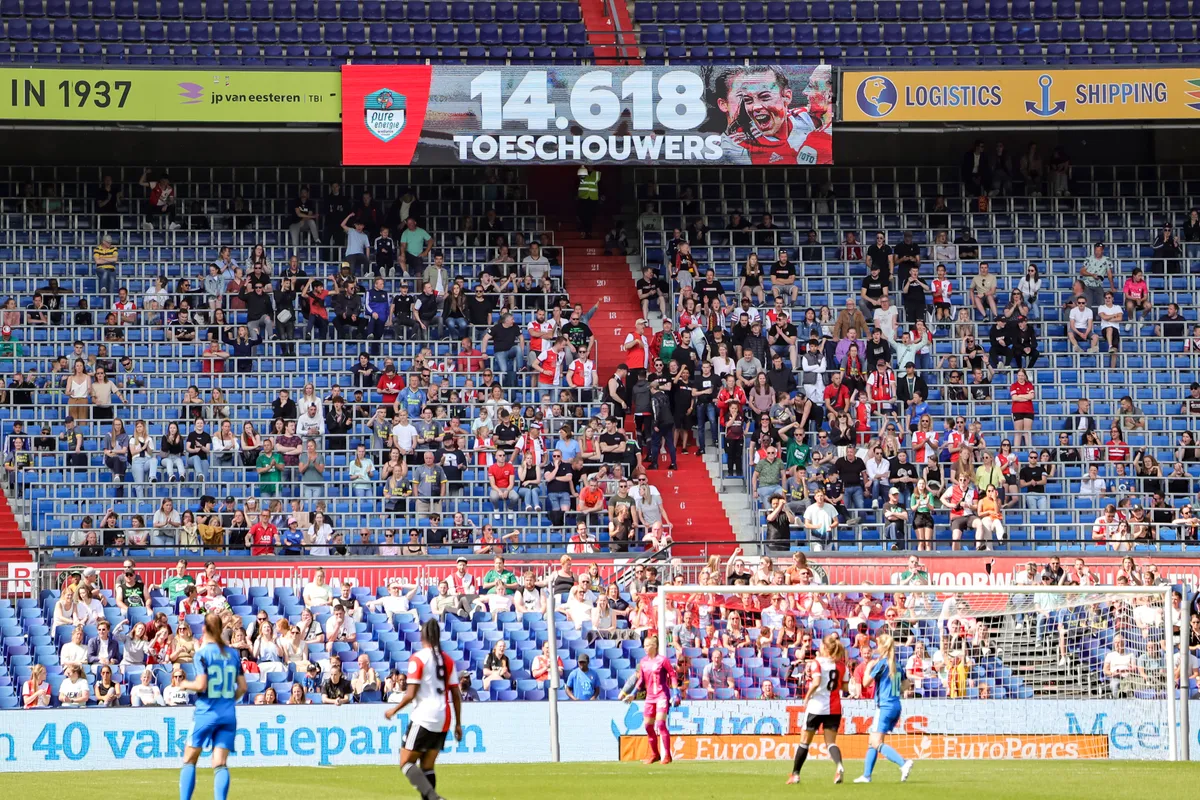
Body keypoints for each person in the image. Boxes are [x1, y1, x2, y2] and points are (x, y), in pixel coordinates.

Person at [384, 618, 463, 800]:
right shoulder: (448, 660)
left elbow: (411, 694)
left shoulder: (418, 659)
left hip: (424, 717)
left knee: (405, 762)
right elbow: (456, 695)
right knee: (427, 767)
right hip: (444, 717)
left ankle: (434, 798)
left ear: (423, 635)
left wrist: (393, 710)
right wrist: (458, 724)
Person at [178, 613, 247, 800]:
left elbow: (201, 685)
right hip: (228, 714)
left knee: (189, 759)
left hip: (206, 712)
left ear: (203, 629)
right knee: (220, 763)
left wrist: (184, 684)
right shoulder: (233, 653)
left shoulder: (202, 654)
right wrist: (229, 700)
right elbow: (243, 687)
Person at [788, 633, 848, 785]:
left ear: (825, 647)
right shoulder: (842, 665)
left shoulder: (817, 662)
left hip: (816, 707)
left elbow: (816, 682)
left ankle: (795, 774)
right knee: (831, 743)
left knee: (804, 742)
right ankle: (839, 765)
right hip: (834, 708)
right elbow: (845, 687)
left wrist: (807, 697)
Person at [854, 633, 914, 784]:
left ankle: (903, 763)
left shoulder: (881, 663)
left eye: (877, 645)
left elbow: (866, 683)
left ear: (882, 646)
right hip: (895, 705)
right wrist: (894, 691)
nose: (876, 648)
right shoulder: (897, 663)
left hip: (885, 707)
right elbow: (907, 685)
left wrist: (868, 667)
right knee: (872, 741)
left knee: (876, 742)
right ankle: (866, 776)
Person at [624, 635, 679, 765]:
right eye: (644, 646)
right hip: (650, 697)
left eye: (647, 646)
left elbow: (672, 674)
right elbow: (641, 680)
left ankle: (667, 755)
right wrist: (633, 694)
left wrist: (675, 693)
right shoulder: (643, 662)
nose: (645, 648)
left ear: (654, 646)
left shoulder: (662, 660)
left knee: (660, 724)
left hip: (661, 695)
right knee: (648, 726)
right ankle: (655, 754)